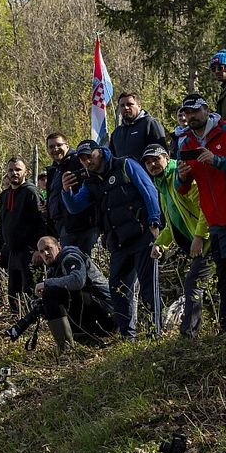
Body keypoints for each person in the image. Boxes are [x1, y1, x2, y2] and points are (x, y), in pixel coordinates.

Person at [175, 94, 226, 343]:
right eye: (186, 113)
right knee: (225, 273)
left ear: (206, 110)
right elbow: (182, 188)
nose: (190, 117)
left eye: (194, 112)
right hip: (217, 221)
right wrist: (181, 176)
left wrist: (217, 160)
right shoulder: (185, 144)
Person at [61, 139, 162, 340]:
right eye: (82, 159)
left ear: (100, 151)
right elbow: (75, 206)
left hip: (142, 235)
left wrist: (154, 221)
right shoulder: (90, 182)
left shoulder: (124, 165)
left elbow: (149, 191)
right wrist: (66, 191)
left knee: (149, 287)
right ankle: (128, 337)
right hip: (118, 242)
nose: (87, 162)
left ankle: (156, 333)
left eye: (89, 156)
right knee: (117, 289)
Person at [141, 144, 212, 337]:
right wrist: (160, 243)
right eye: (148, 162)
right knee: (206, 285)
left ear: (167, 157)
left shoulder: (181, 176)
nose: (153, 165)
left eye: (156, 159)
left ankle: (189, 334)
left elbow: (206, 207)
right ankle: (217, 328)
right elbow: (173, 222)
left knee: (193, 283)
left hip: (211, 237)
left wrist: (199, 237)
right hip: (197, 241)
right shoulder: (161, 183)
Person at [6, 236, 116, 354]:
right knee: (50, 296)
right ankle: (78, 342)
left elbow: (77, 281)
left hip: (108, 313)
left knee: (51, 292)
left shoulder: (70, 257)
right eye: (42, 251)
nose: (46, 253)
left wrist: (46, 284)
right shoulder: (53, 268)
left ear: (58, 247)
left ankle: (67, 347)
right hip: (95, 314)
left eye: (48, 248)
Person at [0, 157, 46, 315]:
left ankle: (34, 325)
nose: (14, 173)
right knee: (13, 295)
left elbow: (42, 222)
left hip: (29, 251)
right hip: (12, 252)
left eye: (18, 169)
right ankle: (17, 326)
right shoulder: (4, 196)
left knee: (30, 292)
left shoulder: (31, 192)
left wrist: (38, 249)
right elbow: (2, 224)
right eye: (11, 170)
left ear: (26, 172)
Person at [45, 133, 99, 254]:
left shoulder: (77, 161)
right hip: (63, 227)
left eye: (59, 145)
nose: (55, 149)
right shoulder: (54, 170)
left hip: (83, 226)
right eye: (51, 146)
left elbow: (92, 184)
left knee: (86, 265)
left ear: (67, 145)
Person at [109, 91, 168, 160]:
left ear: (139, 106)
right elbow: (112, 159)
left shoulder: (150, 124)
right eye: (122, 105)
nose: (126, 108)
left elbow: (163, 155)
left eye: (129, 104)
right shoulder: (116, 132)